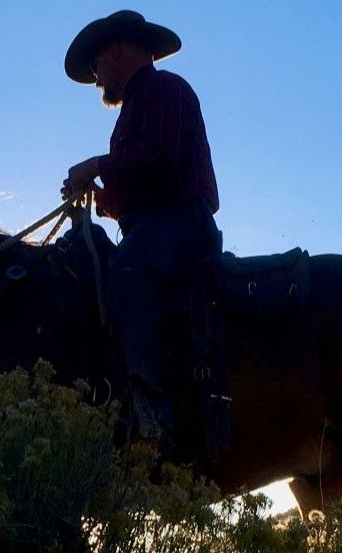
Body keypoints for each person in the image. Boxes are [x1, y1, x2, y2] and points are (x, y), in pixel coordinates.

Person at [60, 10, 221, 444]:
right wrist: (96, 197)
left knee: (126, 271)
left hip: (182, 222)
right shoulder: (136, 108)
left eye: (96, 67)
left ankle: (152, 407)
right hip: (156, 225)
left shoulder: (165, 89)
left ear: (115, 52)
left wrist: (97, 165)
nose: (96, 79)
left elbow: (160, 160)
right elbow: (136, 190)